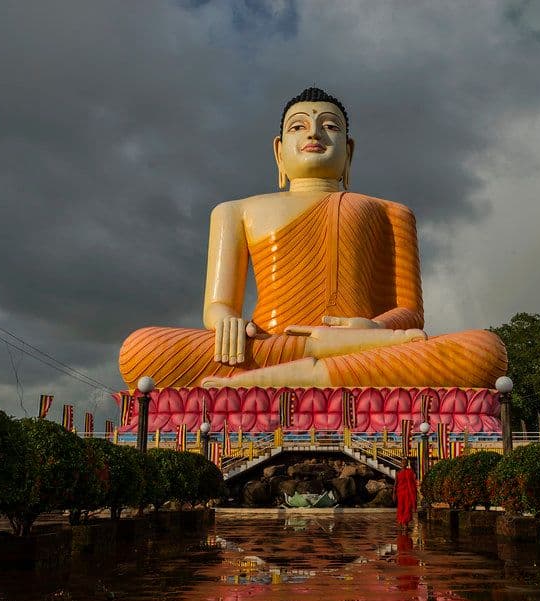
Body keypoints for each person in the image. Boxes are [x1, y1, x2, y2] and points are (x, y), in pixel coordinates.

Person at [119, 86, 506, 389]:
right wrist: (225, 322)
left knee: (483, 350)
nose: (314, 133)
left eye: (330, 126)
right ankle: (315, 361)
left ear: (349, 152)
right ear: (278, 151)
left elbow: (410, 313)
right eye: (298, 126)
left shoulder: (391, 212)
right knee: (141, 349)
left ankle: (278, 380)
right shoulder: (235, 211)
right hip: (268, 346)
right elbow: (219, 305)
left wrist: (372, 330)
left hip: (365, 345)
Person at [395, 457, 417, 527]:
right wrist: (393, 493)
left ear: (407, 464)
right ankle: (401, 522)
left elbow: (413, 482)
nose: (404, 464)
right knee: (401, 508)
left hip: (408, 493)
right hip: (400, 493)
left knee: (408, 507)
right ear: (400, 464)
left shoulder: (410, 471)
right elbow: (396, 483)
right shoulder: (398, 473)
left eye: (405, 463)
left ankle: (405, 523)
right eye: (403, 462)